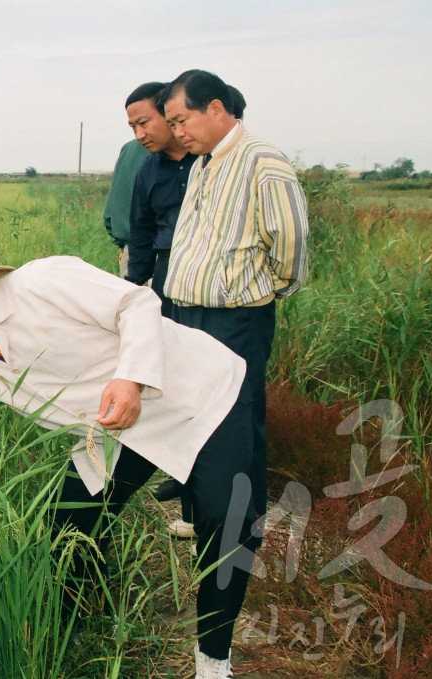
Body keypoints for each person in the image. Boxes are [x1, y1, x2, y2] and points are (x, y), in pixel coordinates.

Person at [0, 233, 259, 678]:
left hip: (196, 396)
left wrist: (130, 378)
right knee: (68, 524)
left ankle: (213, 663)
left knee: (228, 526)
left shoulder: (42, 283)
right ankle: (78, 631)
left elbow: (137, 304)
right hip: (116, 431)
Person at [161, 70, 309, 530]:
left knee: (236, 421)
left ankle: (241, 526)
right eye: (173, 123)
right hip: (189, 315)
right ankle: (203, 515)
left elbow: (291, 240)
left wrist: (262, 290)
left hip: (234, 320)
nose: (178, 132)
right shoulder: (204, 163)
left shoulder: (262, 160)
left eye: (182, 120)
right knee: (194, 413)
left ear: (216, 109)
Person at [123, 81, 200, 537]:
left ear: (171, 115)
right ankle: (189, 502)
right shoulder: (148, 173)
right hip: (168, 284)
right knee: (174, 390)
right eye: (132, 126)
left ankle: (211, 508)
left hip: (212, 290)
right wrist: (133, 296)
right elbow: (142, 235)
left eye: (144, 122)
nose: (140, 133)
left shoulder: (209, 164)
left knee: (207, 390)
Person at [102, 139, 149, 279]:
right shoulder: (178, 146)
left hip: (130, 253)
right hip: (161, 254)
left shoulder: (128, 148)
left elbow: (109, 214)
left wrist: (123, 245)